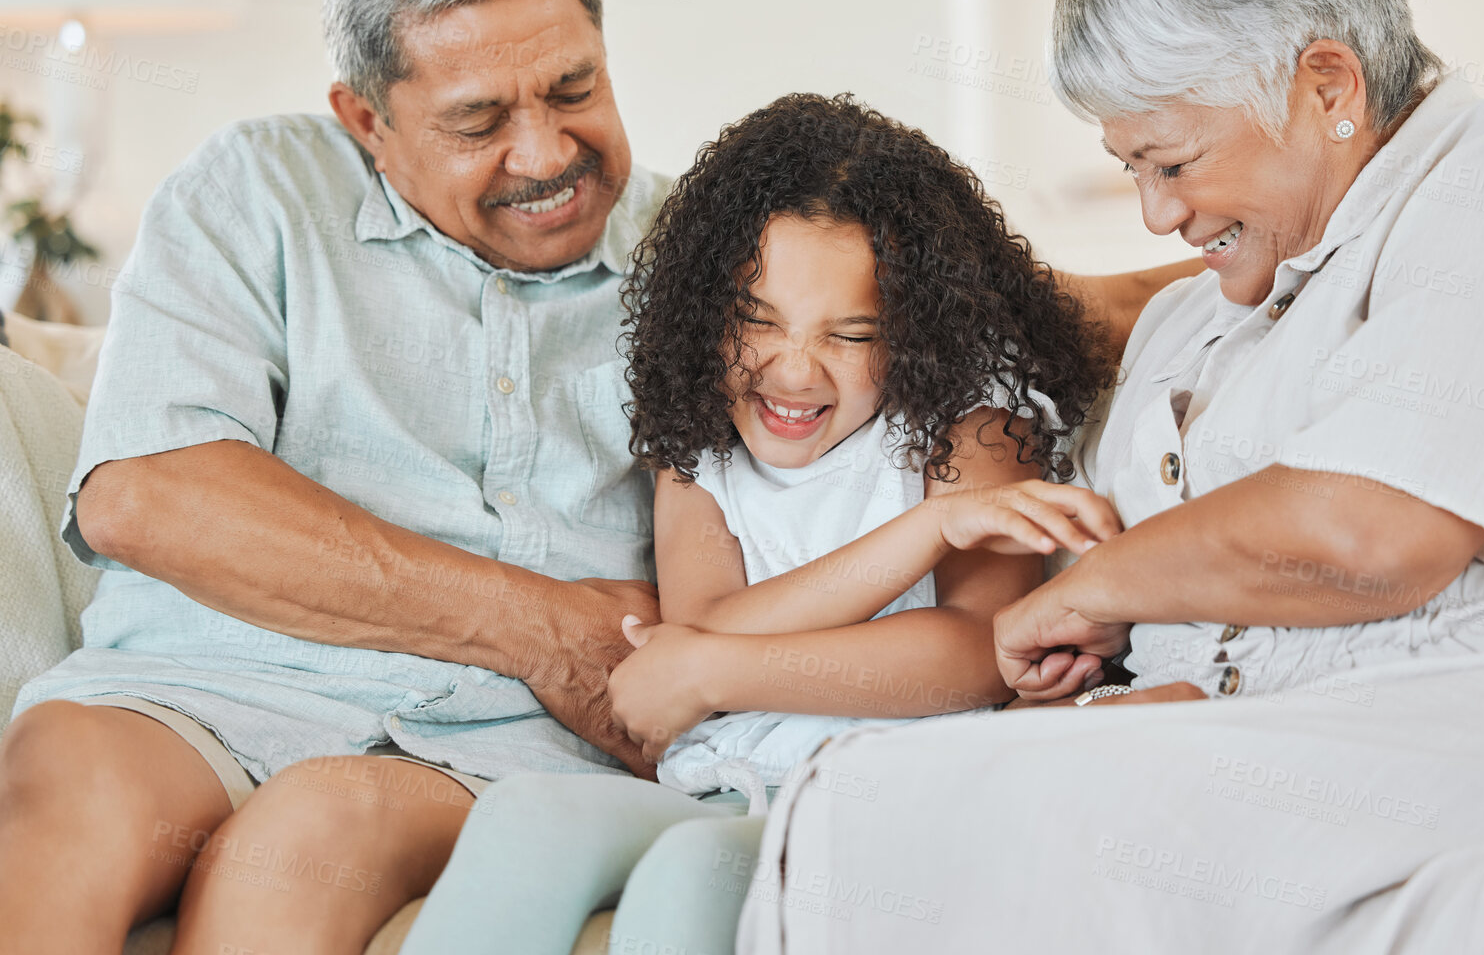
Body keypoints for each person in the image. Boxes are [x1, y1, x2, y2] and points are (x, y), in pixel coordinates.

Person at [0, 0, 1193, 953]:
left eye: (573, 87)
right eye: (477, 120)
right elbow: (148, 498)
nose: (543, 152)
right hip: (204, 685)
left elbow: (984, 295)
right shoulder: (254, 190)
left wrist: (1287, 233)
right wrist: (537, 625)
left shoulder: (710, 253)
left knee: (301, 843)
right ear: (367, 119)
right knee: (66, 808)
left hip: (496, 744)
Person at [736, 0, 1484, 955]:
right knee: (877, 793)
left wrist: (1089, 590)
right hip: (1313, 768)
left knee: (914, 806)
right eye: (1130, 169)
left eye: (1174, 161)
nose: (1158, 211)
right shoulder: (1183, 327)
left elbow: (1369, 530)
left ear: (1325, 83)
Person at [402, 92, 1119, 954]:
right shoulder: (697, 441)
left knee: (689, 874)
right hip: (724, 774)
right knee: (526, 816)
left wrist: (711, 670)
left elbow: (975, 655)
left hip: (882, 785)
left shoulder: (967, 427)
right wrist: (918, 539)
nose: (791, 370)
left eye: (850, 334)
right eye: (755, 320)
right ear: (706, 312)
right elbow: (703, 627)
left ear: (922, 336)